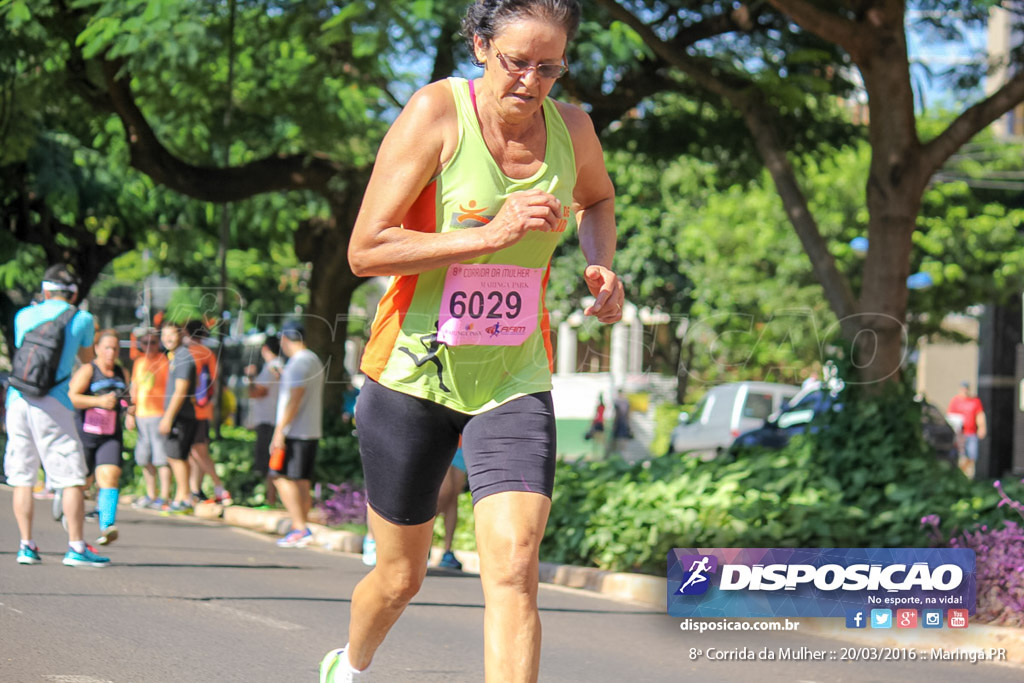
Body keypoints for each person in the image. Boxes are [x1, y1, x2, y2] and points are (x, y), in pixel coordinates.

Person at [320, 1, 623, 680]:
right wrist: (490, 234)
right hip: (410, 374)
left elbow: (596, 198)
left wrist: (601, 262)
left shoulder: (573, 129)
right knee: (401, 576)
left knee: (515, 562)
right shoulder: (436, 113)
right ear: (482, 46)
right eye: (518, 62)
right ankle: (352, 660)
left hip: (513, 375)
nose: (533, 81)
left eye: (551, 66)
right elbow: (365, 250)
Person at [4, 264, 110, 567]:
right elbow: (88, 361)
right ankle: (76, 547)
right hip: (54, 402)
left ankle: (26, 546)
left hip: (18, 399)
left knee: (23, 477)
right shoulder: (82, 318)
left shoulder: (23, 315)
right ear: (74, 292)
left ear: (45, 289)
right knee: (72, 478)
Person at [68, 329, 130, 546]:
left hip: (110, 435)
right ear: (97, 349)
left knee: (110, 477)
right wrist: (98, 402)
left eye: (115, 348)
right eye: (107, 348)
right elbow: (72, 397)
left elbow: (126, 399)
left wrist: (129, 411)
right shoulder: (88, 370)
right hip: (85, 434)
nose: (111, 352)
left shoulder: (121, 373)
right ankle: (67, 509)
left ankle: (107, 526)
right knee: (81, 482)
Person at [271, 320, 325, 547]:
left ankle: (299, 527)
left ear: (284, 339)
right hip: (310, 430)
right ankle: (303, 527)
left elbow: (295, 398)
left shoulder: (298, 363)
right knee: (302, 480)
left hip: (294, 431)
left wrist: (279, 431)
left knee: (279, 476)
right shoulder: (312, 359)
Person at [184, 320, 231, 505]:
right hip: (203, 409)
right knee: (195, 451)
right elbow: (214, 380)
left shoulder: (187, 353)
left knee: (198, 451)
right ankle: (195, 490)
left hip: (192, 410)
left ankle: (219, 488)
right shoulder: (208, 353)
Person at [127, 327, 172, 510]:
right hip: (141, 415)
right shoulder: (139, 362)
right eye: (144, 343)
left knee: (161, 458)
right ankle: (151, 495)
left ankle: (164, 497)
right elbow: (134, 387)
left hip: (158, 414)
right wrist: (130, 414)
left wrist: (167, 417)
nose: (148, 346)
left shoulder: (165, 361)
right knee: (144, 458)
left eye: (152, 342)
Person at [158, 319, 197, 514]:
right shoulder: (175, 356)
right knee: (178, 456)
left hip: (180, 416)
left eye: (171, 334)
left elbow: (181, 390)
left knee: (175, 457)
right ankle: (182, 495)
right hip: (180, 416)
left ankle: (184, 497)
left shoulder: (182, 357)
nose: (167, 339)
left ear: (181, 335)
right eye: (164, 335)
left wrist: (168, 417)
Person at [245, 334, 283, 507]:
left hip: (268, 420)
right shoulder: (280, 366)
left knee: (269, 461)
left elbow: (257, 392)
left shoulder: (270, 367)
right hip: (274, 418)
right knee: (272, 460)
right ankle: (272, 498)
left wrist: (251, 378)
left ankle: (271, 499)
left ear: (265, 349)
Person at [435, 447, 468, 571]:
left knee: (453, 496)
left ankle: (447, 552)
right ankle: (417, 538)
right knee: (444, 492)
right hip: (445, 437)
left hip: (461, 444)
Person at [947, 381, 987, 478]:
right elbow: (950, 416)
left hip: (971, 433)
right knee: (962, 456)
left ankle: (964, 474)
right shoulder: (955, 401)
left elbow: (979, 415)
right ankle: (961, 476)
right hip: (960, 434)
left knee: (972, 456)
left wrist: (982, 427)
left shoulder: (975, 401)